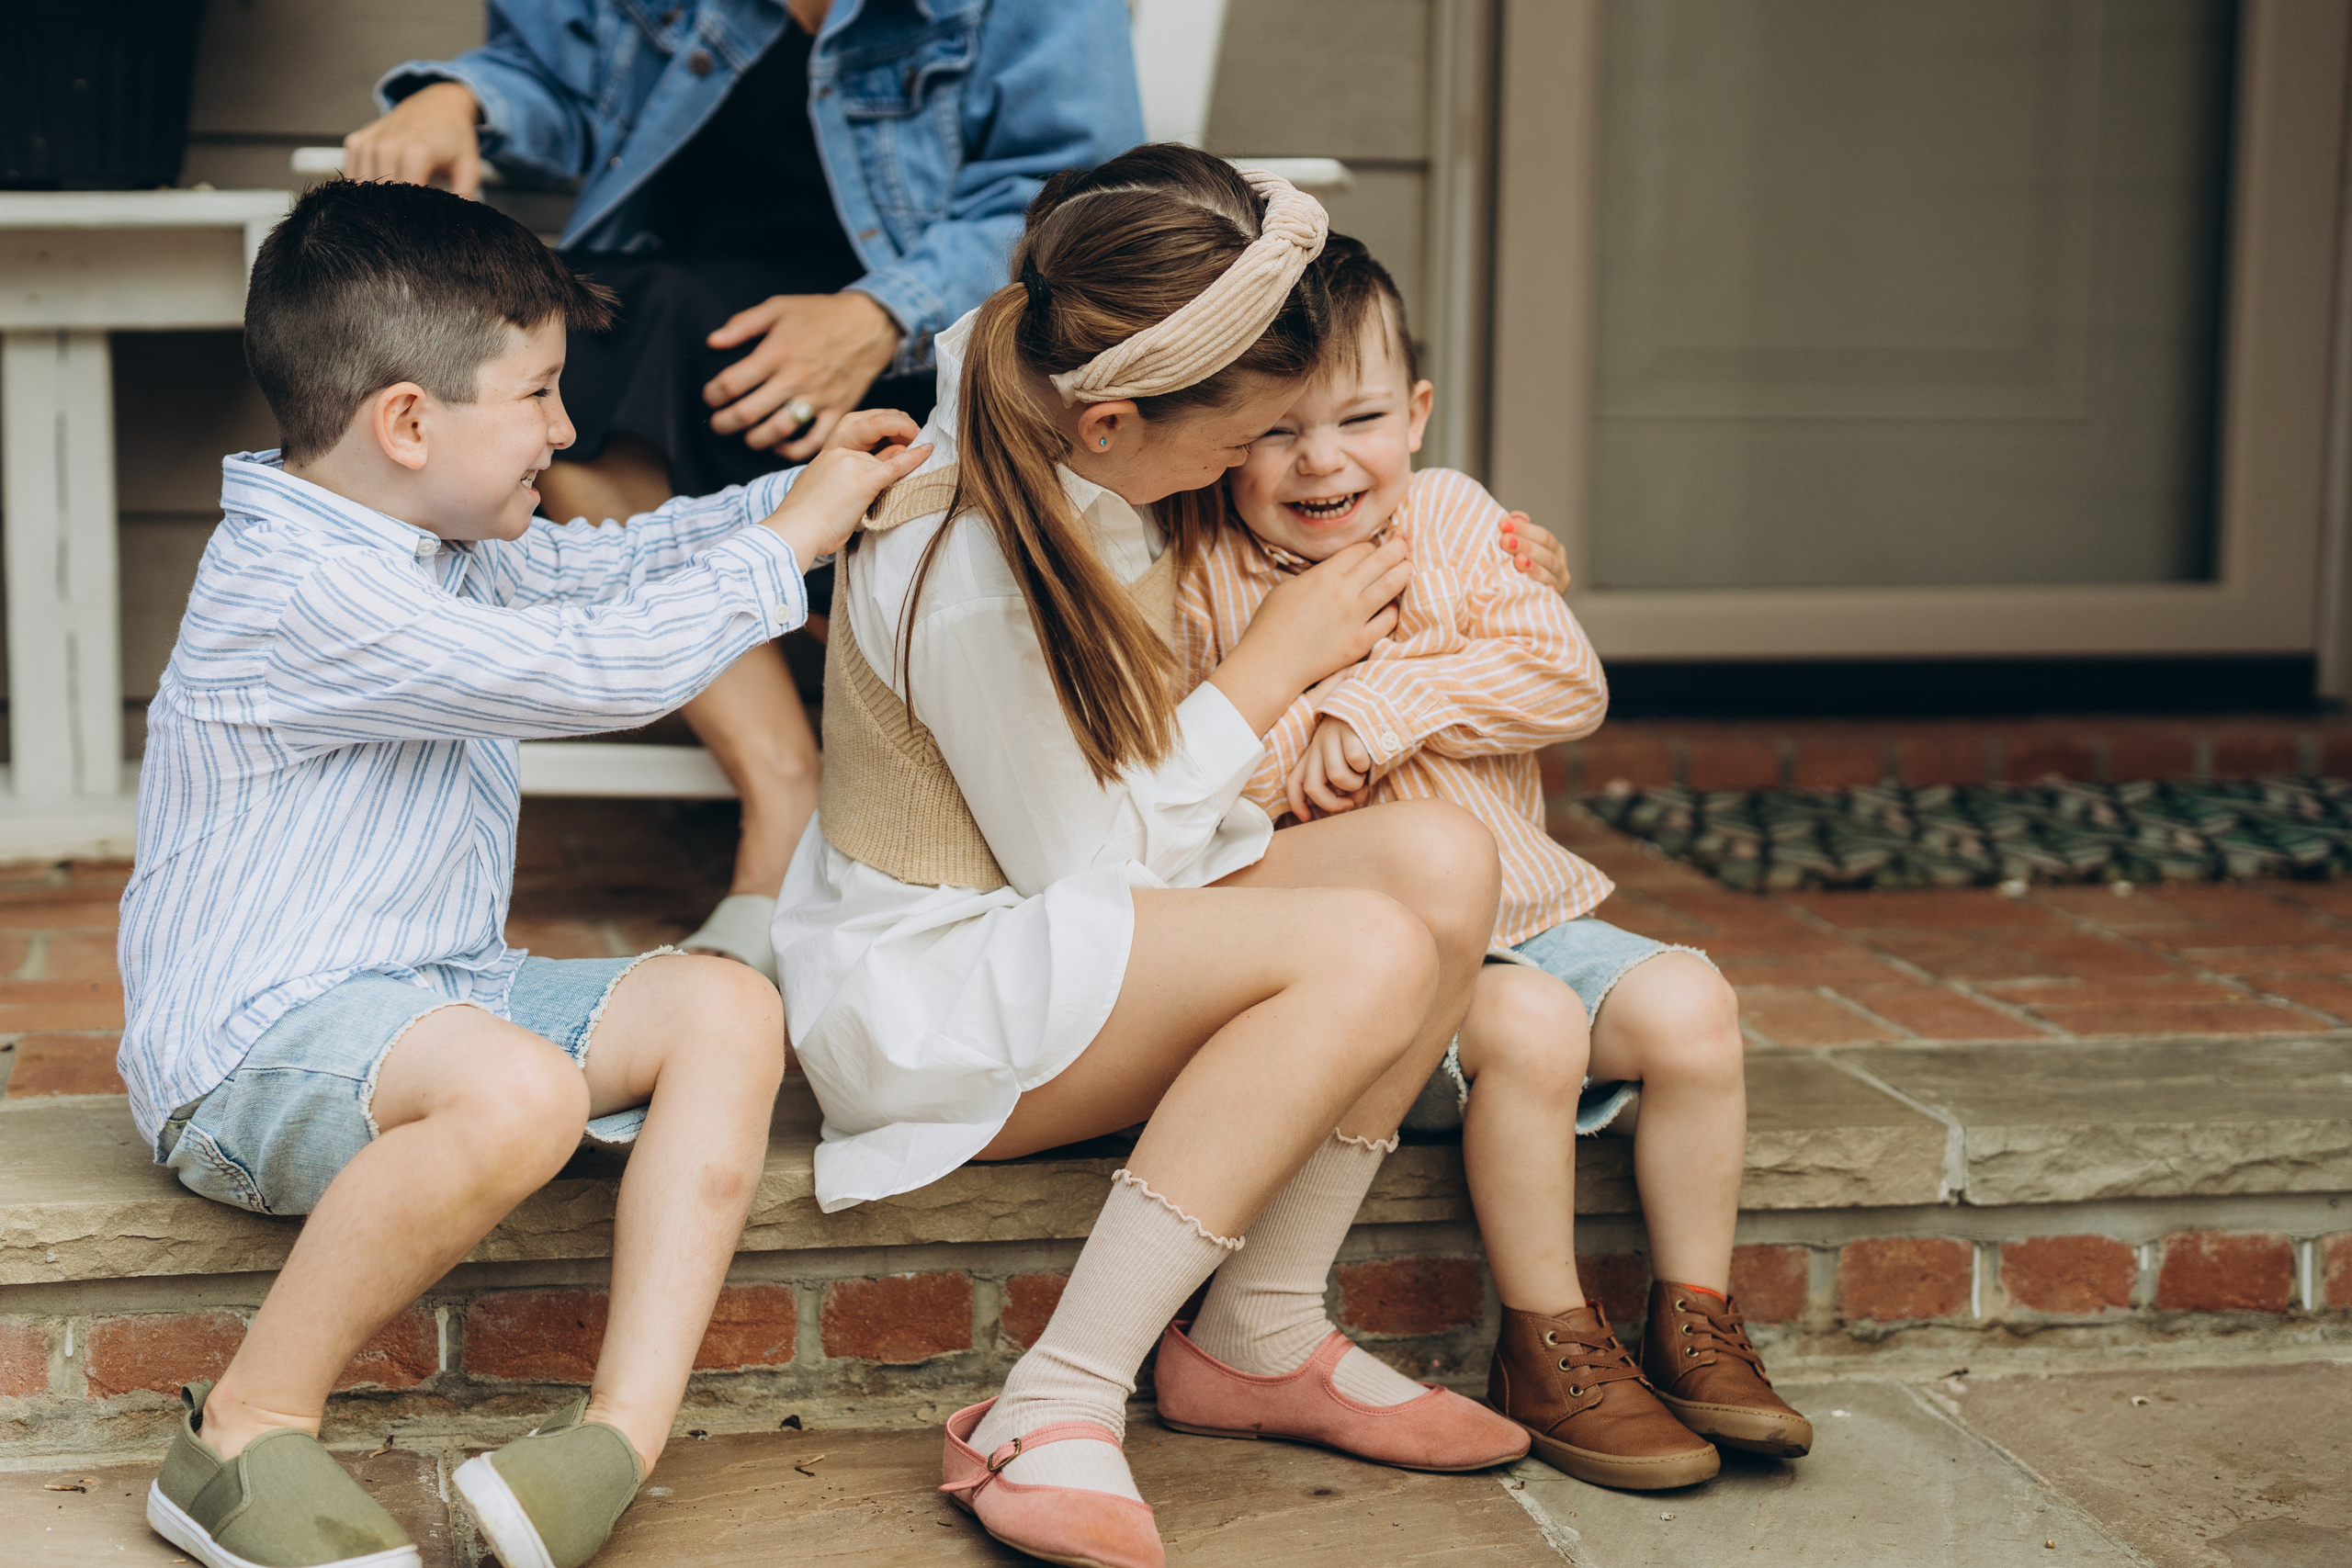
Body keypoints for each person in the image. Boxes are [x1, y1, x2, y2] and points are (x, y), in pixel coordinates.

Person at [117, 180, 928, 1568]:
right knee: (522, 1087)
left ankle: (613, 1435)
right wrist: (788, 552)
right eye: (542, 394)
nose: (567, 428)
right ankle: (242, 1430)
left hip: (434, 999)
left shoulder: (441, 540)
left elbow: (601, 569)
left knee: (728, 1004)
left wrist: (796, 497)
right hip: (248, 1056)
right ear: (410, 421)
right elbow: (583, 671)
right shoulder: (303, 587)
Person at [771, 147, 1530, 1568]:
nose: (1253, 463)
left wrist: (1461, 533)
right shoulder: (970, 565)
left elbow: (1150, 228)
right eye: (1237, 436)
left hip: (1063, 928)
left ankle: (1261, 1328)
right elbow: (1087, 874)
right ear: (1113, 421)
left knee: (1441, 856)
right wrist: (1263, 673)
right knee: (1364, 943)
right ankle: (1051, 1399)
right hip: (936, 995)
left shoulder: (1070, 419)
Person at [1178, 234, 1812, 1493]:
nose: (1323, 459)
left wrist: (1380, 704)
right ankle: (1549, 1336)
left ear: (1414, 414)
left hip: (1537, 907)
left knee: (1694, 1005)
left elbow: (1560, 675)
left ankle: (1695, 1321)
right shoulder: (1202, 573)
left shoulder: (1457, 517)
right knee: (1528, 1024)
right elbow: (1215, 777)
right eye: (1278, 429)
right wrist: (1303, 706)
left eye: (1360, 416)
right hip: (1391, 966)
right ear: (1222, 438)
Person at [346, 0, 1146, 976]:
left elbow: (1072, 196)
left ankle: (821, 790)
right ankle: (783, 784)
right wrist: (456, 97)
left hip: (926, 341)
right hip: (683, 345)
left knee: (638, 334)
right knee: (581, 343)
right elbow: (559, 80)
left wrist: (878, 312)